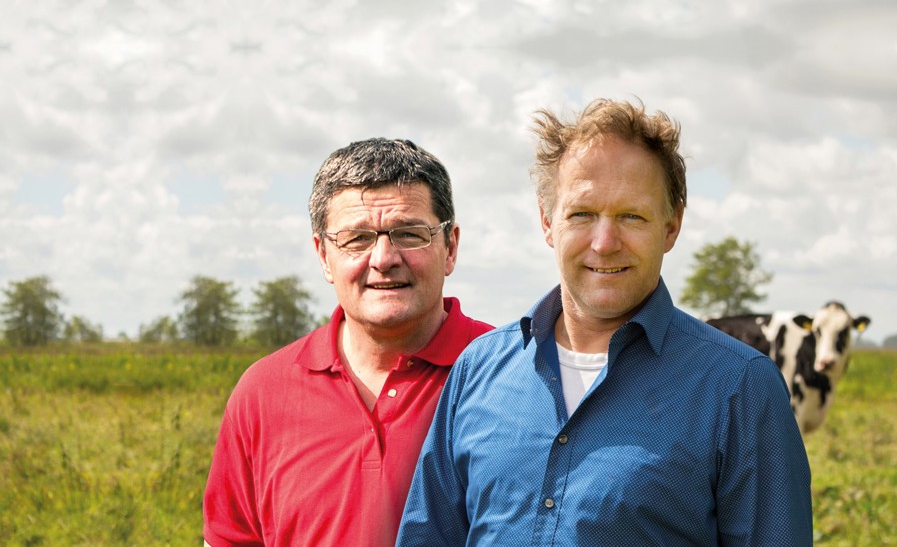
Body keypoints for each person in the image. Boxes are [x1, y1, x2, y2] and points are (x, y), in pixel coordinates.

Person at [397, 98, 813, 546]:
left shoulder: (740, 388)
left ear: (671, 226)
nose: (605, 242)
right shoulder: (477, 370)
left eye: (631, 216)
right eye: (582, 214)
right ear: (547, 222)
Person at [202, 138, 492, 547]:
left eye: (409, 234)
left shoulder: (512, 373)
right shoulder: (262, 393)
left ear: (451, 247)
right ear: (323, 255)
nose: (383, 258)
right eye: (357, 238)